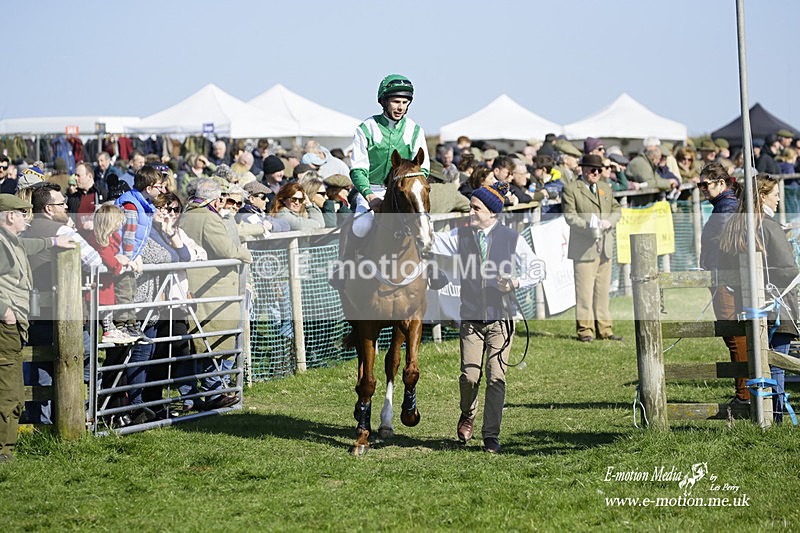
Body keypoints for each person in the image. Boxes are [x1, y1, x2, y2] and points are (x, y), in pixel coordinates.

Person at [431, 181, 544, 453]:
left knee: (496, 378)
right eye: (470, 206)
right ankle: (468, 413)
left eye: (476, 208)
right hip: (470, 320)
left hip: (501, 321)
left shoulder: (511, 238)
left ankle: (491, 435)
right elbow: (431, 241)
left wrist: (515, 283)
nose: (470, 212)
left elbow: (539, 270)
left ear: (492, 213)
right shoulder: (461, 235)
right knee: (470, 377)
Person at [0, 194, 74, 461]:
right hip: (5, 326)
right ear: (10, 216)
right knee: (9, 391)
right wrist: (4, 311)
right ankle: (4, 451)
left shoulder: (11, 242)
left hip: (12, 327)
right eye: (22, 213)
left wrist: (53, 242)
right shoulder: (2, 244)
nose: (26, 219)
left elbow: (28, 246)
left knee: (13, 388)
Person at [719, 174, 799, 423]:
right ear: (762, 196)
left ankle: (764, 414)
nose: (778, 200)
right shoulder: (768, 225)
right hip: (777, 306)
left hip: (751, 305)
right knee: (777, 363)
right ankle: (774, 417)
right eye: (775, 195)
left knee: (761, 362)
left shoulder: (736, 224)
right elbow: (787, 269)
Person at [181, 179, 253, 410]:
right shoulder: (209, 217)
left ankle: (201, 395)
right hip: (213, 289)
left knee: (200, 343)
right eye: (222, 197)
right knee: (216, 340)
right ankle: (215, 392)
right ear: (216, 199)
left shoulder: (186, 214)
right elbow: (226, 250)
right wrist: (246, 254)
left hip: (197, 287)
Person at [349, 74, 430, 239]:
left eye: (404, 102)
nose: (400, 107)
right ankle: (348, 261)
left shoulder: (415, 130)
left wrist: (407, 190)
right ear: (384, 101)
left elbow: (424, 169)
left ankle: (428, 260)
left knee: (425, 226)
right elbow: (357, 169)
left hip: (404, 192)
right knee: (361, 227)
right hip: (372, 191)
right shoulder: (366, 128)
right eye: (396, 102)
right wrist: (370, 196)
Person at [697, 163, 747, 404]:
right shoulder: (724, 205)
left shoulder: (726, 207)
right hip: (724, 278)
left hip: (726, 280)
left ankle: (744, 394)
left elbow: (725, 247)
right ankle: (746, 391)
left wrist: (719, 277)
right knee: (735, 335)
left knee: (734, 335)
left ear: (721, 183)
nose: (702, 189)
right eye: (700, 185)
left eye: (706, 184)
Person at [562, 154, 623, 342]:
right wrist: (589, 225)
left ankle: (605, 329)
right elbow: (570, 216)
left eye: (599, 170)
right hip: (584, 248)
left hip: (605, 246)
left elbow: (617, 209)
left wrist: (609, 222)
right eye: (592, 170)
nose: (596, 173)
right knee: (584, 293)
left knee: (602, 291)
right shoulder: (571, 189)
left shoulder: (605, 187)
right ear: (583, 169)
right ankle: (585, 330)